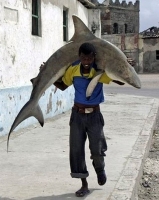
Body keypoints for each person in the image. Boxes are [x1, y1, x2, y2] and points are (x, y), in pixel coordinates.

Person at [40, 42, 124, 197]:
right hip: (77, 116)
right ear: (79, 57)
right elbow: (63, 85)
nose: (86, 61)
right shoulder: (73, 69)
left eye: (89, 58)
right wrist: (47, 72)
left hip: (94, 116)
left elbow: (120, 80)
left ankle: (100, 170)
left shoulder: (99, 72)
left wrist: (123, 66)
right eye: (83, 58)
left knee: (97, 149)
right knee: (76, 150)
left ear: (94, 57)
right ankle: (84, 184)